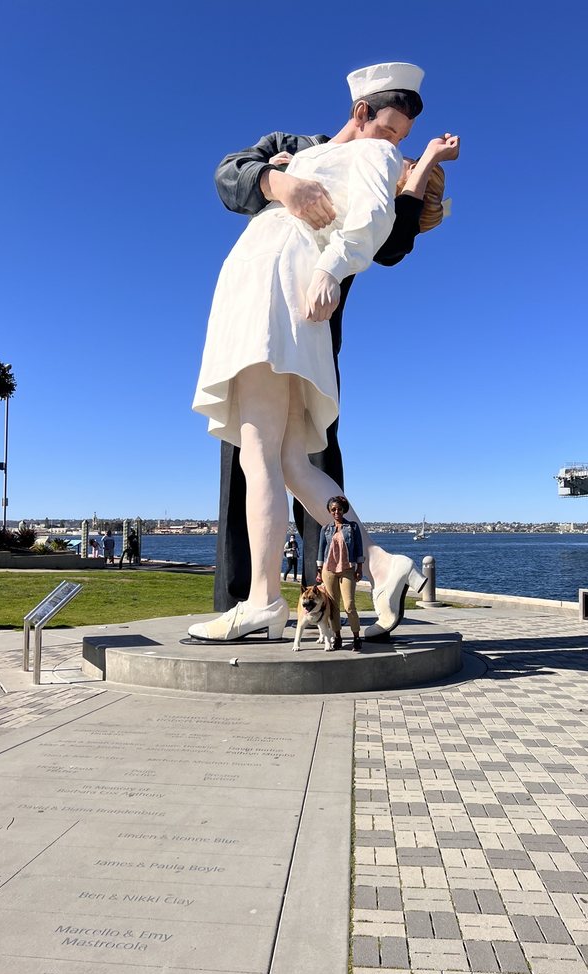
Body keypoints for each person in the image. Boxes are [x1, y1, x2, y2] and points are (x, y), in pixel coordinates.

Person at [189, 62, 456, 643]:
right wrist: (280, 176)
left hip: (277, 293)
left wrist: (331, 269)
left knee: (257, 453)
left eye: (402, 137)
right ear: (361, 112)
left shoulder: (374, 157)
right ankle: (382, 564)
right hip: (273, 289)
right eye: (389, 127)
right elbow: (232, 172)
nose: (395, 143)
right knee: (289, 463)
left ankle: (262, 598)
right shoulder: (301, 151)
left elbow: (376, 223)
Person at [317, 496, 364, 651]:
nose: (336, 512)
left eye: (339, 509)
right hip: (328, 570)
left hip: (347, 569)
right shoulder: (326, 529)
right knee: (333, 605)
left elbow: (358, 549)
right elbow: (321, 551)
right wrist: (319, 571)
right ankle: (337, 637)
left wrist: (359, 568)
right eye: (333, 509)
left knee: (349, 605)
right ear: (330, 511)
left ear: (344, 510)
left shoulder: (353, 527)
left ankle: (357, 637)